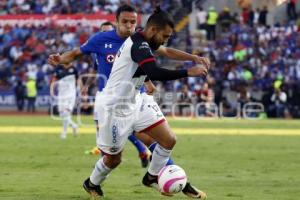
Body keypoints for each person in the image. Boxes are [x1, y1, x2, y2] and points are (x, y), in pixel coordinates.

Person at [48, 5, 209, 199]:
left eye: (133, 21)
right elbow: (155, 71)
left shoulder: (145, 39)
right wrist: (188, 72)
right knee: (114, 159)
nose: (129, 25)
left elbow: (164, 52)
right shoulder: (135, 44)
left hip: (137, 99)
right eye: (165, 36)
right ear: (153, 30)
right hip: (115, 107)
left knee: (168, 140)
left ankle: (152, 177)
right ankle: (91, 183)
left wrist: (192, 58)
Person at [50, 64, 78, 139]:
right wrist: (52, 89)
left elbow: (77, 80)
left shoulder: (73, 69)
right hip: (61, 93)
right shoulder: (58, 68)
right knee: (62, 114)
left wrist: (79, 89)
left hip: (70, 94)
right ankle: (73, 125)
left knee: (66, 112)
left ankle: (64, 133)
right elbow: (54, 79)